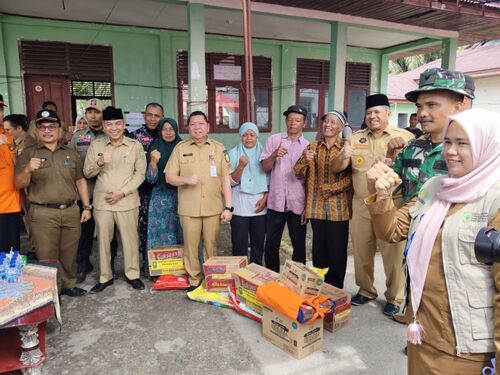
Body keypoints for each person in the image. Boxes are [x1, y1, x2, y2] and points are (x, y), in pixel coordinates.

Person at [365, 108, 500, 374]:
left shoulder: (494, 201)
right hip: (421, 335)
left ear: (488, 146)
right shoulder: (435, 188)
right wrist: (381, 195)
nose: (450, 151)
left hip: (467, 351)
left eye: (463, 143)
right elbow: (391, 231)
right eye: (448, 141)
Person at [332, 94, 414, 316]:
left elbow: (413, 174)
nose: (372, 116)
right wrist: (342, 155)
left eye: (377, 112)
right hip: (361, 204)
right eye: (369, 113)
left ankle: (394, 297)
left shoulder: (405, 138)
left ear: (388, 113)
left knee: (392, 253)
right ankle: (366, 289)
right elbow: (338, 168)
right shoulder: (356, 137)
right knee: (361, 250)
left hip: (391, 204)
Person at [15, 109, 91, 297]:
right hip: (43, 213)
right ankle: (49, 291)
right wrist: (28, 169)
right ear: (37, 130)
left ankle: (67, 285)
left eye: (52, 126)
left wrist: (87, 206)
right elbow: (18, 183)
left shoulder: (71, 153)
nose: (47, 131)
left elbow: (80, 180)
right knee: (47, 254)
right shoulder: (28, 154)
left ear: (59, 130)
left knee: (69, 252)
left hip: (70, 210)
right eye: (42, 127)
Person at [384, 68, 473, 204]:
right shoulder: (411, 147)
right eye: (419, 106)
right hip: (409, 223)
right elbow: (390, 186)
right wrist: (384, 167)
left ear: (457, 107)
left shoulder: (473, 150)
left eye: (431, 105)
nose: (422, 113)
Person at [165, 111, 232, 291]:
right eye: (193, 124)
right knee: (190, 246)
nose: (197, 127)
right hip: (189, 208)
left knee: (211, 245)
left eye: (201, 123)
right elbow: (169, 177)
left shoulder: (218, 148)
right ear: (188, 128)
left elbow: (226, 179)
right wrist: (185, 180)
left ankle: (211, 277)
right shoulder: (180, 148)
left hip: (213, 207)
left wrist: (229, 207)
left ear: (208, 126)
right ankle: (194, 279)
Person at [84, 106, 146, 293]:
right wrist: (100, 162)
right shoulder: (97, 146)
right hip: (103, 203)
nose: (114, 128)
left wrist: (123, 192)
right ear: (103, 126)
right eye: (109, 124)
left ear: (123, 124)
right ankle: (105, 276)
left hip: (127, 201)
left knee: (130, 240)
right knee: (103, 241)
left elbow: (140, 174)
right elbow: (87, 172)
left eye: (117, 124)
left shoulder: (135, 146)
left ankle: (132, 274)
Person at [294, 111, 353, 288]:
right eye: (326, 121)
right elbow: (297, 171)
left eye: (333, 122)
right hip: (316, 208)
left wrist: (330, 189)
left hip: (338, 209)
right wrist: (304, 159)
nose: (328, 125)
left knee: (337, 250)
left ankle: (336, 287)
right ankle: (321, 284)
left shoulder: (347, 147)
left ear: (341, 127)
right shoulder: (312, 147)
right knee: (319, 250)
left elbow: (352, 178)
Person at [69, 98, 118, 283]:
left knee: (110, 232)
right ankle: (83, 263)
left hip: (108, 192)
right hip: (86, 193)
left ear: (103, 115)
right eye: (89, 111)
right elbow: (72, 164)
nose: (92, 115)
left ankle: (110, 264)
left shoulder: (112, 135)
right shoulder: (79, 137)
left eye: (96, 112)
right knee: (85, 232)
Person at [260, 105, 309, 273]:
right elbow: (265, 168)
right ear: (286, 121)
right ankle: (272, 276)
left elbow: (310, 180)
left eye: (297, 120)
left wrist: (307, 208)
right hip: (276, 202)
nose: (293, 123)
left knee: (299, 245)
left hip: (298, 203)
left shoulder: (308, 147)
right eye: (290, 120)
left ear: (304, 123)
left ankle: (297, 278)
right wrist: (274, 155)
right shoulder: (274, 140)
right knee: (272, 243)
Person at [228, 122, 269, 265]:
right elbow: (230, 182)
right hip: (239, 206)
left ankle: (256, 273)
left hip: (260, 207)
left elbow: (271, 180)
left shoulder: (265, 154)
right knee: (239, 245)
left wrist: (265, 198)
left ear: (257, 136)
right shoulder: (232, 154)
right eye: (245, 135)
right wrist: (240, 166)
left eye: (252, 135)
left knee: (258, 245)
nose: (248, 138)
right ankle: (240, 275)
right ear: (240, 137)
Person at [131, 102, 164, 274]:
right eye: (150, 115)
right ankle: (146, 264)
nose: (153, 118)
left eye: (156, 116)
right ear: (144, 115)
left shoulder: (167, 133)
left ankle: (164, 264)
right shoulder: (134, 136)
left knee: (162, 228)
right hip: (142, 191)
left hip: (163, 190)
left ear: (162, 117)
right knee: (144, 227)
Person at [146, 118, 183, 250]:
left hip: (182, 196)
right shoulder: (154, 148)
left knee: (183, 231)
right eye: (164, 129)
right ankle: (161, 268)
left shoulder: (183, 147)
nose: (168, 132)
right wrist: (153, 163)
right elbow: (150, 180)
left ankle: (185, 267)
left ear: (176, 130)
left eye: (171, 129)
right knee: (160, 234)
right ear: (160, 132)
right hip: (160, 199)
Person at [0, 108, 21, 252]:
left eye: (0, 109)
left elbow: (14, 165)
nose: (0, 113)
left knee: (13, 252)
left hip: (13, 202)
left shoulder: (7, 136)